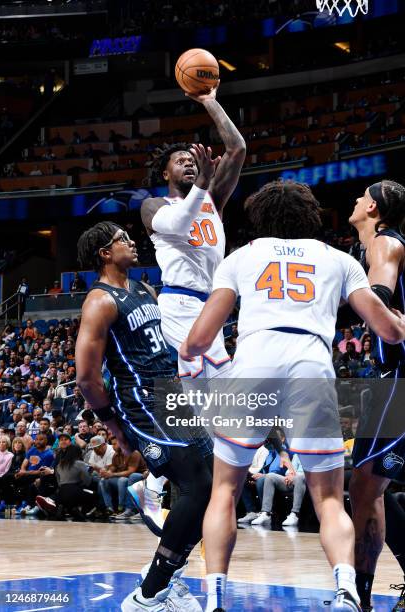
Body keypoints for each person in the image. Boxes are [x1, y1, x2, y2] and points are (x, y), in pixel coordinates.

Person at [179, 180, 405, 612]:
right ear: (310, 216)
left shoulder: (240, 258)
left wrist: (190, 352)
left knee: (224, 490)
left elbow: (199, 338)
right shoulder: (338, 259)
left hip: (254, 361)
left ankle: (214, 599)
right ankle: (345, 592)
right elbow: (388, 330)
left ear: (260, 218)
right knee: (328, 498)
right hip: (310, 364)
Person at [76, 220, 214, 611]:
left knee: (216, 484)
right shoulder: (99, 302)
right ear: (105, 253)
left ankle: (165, 580)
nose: (131, 241)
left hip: (171, 395)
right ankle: (150, 594)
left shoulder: (144, 289)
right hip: (142, 403)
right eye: (122, 238)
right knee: (197, 486)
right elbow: (86, 377)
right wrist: (115, 428)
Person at [141, 83, 245, 380]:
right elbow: (177, 224)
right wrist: (202, 183)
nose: (188, 164)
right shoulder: (152, 205)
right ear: (165, 173)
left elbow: (238, 149)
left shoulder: (211, 198)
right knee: (209, 380)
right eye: (181, 162)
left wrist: (210, 102)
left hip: (212, 304)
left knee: (219, 386)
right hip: (179, 302)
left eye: (191, 161)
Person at [348, 180, 405, 612]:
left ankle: (359, 598)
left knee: (366, 484)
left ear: (371, 207)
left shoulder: (383, 243)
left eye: (358, 197)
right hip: (390, 378)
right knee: (372, 486)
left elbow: (380, 298)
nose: (353, 201)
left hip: (400, 378)